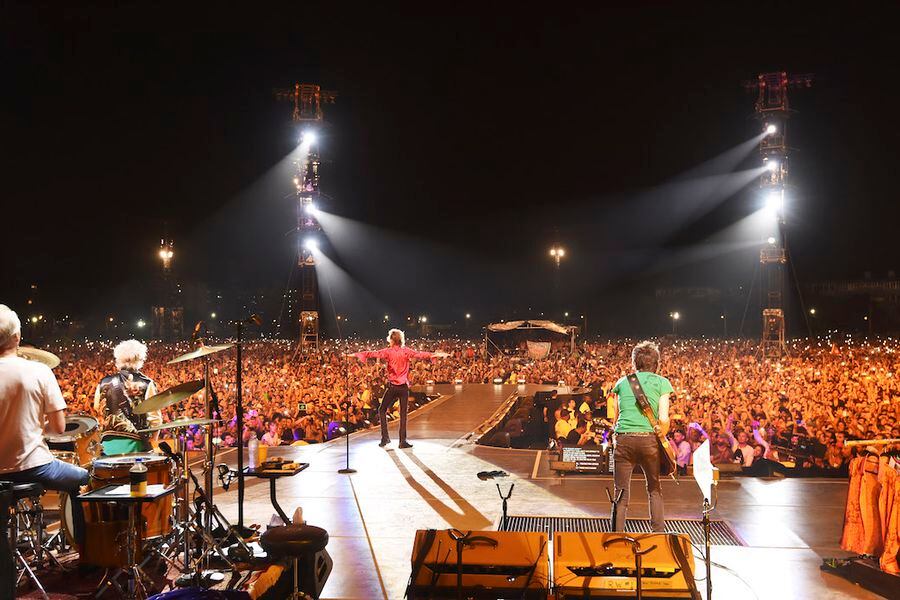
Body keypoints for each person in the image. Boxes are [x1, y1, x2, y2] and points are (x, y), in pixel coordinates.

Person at [0, 304, 89, 542]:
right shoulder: (38, 371)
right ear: (17, 337)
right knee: (84, 478)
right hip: (33, 466)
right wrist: (35, 426)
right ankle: (86, 552)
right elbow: (59, 428)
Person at [608, 340, 672, 532]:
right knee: (654, 488)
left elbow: (616, 417)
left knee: (621, 493)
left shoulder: (622, 382)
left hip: (624, 439)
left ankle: (617, 537)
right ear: (657, 363)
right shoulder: (662, 383)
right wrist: (662, 438)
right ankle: (658, 535)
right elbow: (663, 418)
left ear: (635, 363)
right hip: (648, 440)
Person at [350, 328, 446, 448]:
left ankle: (385, 438)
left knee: (382, 410)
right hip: (403, 388)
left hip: (392, 387)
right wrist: (433, 355)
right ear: (400, 340)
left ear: (391, 339)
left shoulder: (388, 352)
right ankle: (402, 441)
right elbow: (419, 354)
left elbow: (372, 353)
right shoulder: (406, 351)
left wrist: (357, 354)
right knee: (403, 415)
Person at [93, 339, 162, 452]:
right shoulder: (147, 383)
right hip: (136, 444)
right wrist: (152, 443)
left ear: (118, 359)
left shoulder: (104, 382)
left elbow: (98, 408)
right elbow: (155, 419)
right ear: (140, 359)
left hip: (107, 444)